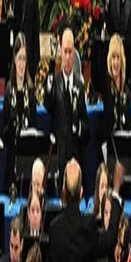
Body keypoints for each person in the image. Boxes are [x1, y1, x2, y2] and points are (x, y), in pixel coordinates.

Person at [44, 27, 89, 176]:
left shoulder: (79, 85)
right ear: (61, 53)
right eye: (65, 52)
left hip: (75, 158)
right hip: (58, 155)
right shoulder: (54, 83)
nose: (68, 57)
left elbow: (86, 127)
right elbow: (48, 106)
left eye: (70, 52)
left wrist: (78, 127)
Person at [2, 32, 37, 193]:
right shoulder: (9, 89)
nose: (22, 63)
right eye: (19, 58)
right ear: (14, 60)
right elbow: (4, 130)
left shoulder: (31, 90)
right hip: (12, 158)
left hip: (27, 158)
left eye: (24, 58)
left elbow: (34, 125)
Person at [100, 33, 131, 158]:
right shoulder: (107, 85)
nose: (115, 62)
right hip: (109, 147)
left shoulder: (126, 90)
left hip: (124, 148)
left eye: (118, 57)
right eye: (113, 57)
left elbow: (128, 123)